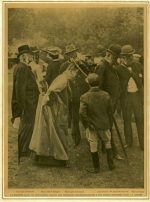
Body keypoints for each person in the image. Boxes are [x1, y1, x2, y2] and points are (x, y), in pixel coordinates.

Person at [29, 63, 80, 167]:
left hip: (56, 109)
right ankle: (59, 159)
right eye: (76, 73)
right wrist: (50, 103)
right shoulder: (63, 79)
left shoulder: (64, 78)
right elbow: (51, 91)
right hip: (55, 110)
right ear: (71, 70)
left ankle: (52, 158)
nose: (76, 76)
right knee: (57, 133)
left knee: (54, 133)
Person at [79, 73, 115, 173]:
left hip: (92, 126)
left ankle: (96, 168)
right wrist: (109, 123)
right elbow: (110, 111)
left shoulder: (84, 96)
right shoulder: (106, 94)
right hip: (104, 124)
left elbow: (82, 113)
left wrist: (87, 124)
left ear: (89, 84)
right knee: (107, 142)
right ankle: (111, 165)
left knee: (93, 144)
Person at [11, 45, 39, 162]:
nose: (31, 57)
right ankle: (24, 150)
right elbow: (20, 89)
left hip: (28, 102)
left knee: (28, 126)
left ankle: (26, 149)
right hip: (28, 103)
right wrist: (23, 106)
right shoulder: (22, 68)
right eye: (29, 55)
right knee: (26, 126)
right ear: (23, 57)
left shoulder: (21, 67)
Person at [95, 44, 123, 160]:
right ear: (109, 55)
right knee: (108, 127)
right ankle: (112, 152)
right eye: (115, 57)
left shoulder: (110, 66)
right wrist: (104, 101)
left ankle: (104, 148)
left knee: (107, 126)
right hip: (105, 102)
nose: (116, 60)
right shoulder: (102, 66)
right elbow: (97, 86)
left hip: (112, 101)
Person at [59, 44, 90, 146]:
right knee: (75, 117)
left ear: (76, 52)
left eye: (74, 52)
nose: (72, 55)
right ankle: (76, 137)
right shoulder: (64, 66)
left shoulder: (83, 64)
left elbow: (89, 75)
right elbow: (61, 81)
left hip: (84, 93)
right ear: (68, 55)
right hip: (72, 94)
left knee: (86, 115)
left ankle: (90, 136)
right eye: (70, 54)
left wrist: (80, 65)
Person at [116, 45, 144, 150]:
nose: (130, 58)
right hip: (126, 97)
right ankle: (128, 142)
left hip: (137, 96)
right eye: (127, 56)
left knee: (140, 119)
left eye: (131, 55)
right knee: (126, 119)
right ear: (122, 57)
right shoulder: (118, 69)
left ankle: (143, 143)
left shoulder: (138, 65)